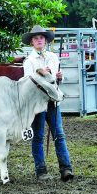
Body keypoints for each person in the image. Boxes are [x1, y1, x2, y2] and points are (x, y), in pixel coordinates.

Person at [22, 25, 74, 181]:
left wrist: (59, 77)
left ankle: (66, 169)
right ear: (32, 42)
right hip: (37, 104)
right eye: (36, 38)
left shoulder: (53, 57)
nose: (39, 40)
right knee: (38, 137)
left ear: (45, 41)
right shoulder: (29, 61)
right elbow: (27, 83)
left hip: (53, 103)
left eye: (41, 38)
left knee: (59, 135)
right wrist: (42, 75)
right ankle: (41, 171)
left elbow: (57, 81)